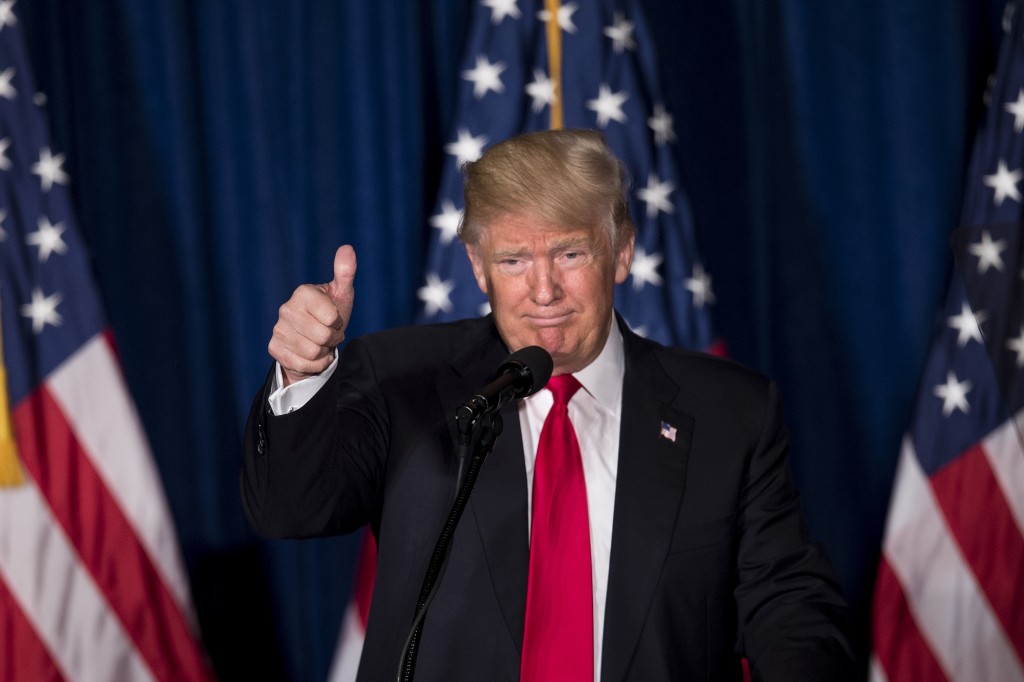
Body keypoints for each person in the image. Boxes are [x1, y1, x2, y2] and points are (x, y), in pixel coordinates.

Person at [242, 129, 856, 681]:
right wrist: (303, 372)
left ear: (621, 252)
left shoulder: (732, 413)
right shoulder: (404, 380)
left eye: (569, 254)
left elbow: (789, 606)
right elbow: (291, 511)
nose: (544, 291)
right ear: (478, 268)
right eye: (513, 261)